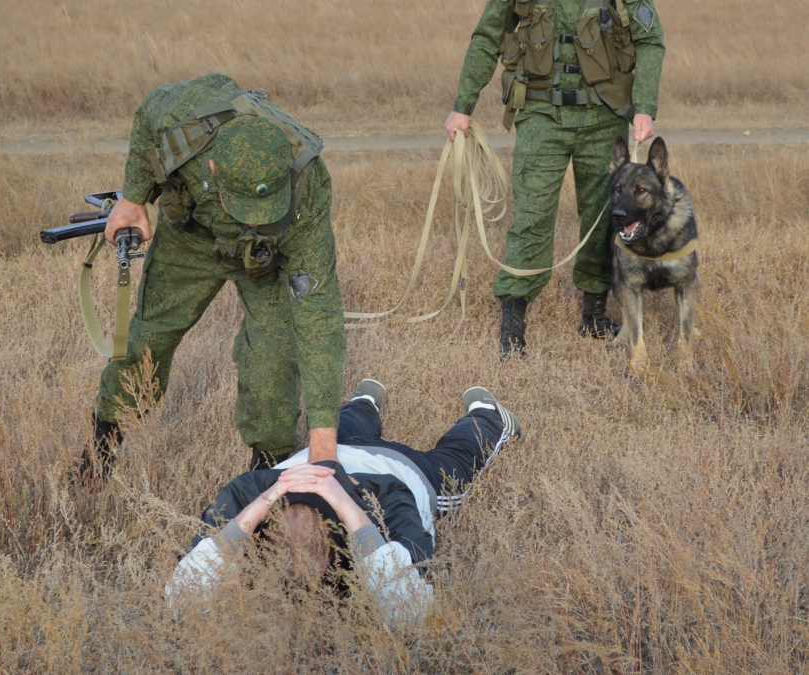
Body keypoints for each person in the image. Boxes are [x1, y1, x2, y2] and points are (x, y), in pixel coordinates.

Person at [84, 73, 346, 477]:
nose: (253, 219)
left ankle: (267, 476)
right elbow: (147, 114)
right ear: (211, 166)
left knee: (273, 359)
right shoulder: (182, 119)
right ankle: (97, 460)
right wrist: (134, 199)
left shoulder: (308, 193)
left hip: (265, 258)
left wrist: (324, 444)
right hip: (190, 238)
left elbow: (320, 318)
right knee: (147, 341)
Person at [165, 379, 522, 625]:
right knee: (343, 426)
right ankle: (364, 403)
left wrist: (350, 506)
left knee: (455, 464)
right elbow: (179, 600)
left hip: (399, 469)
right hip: (326, 454)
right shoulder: (252, 490)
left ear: (334, 555)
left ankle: (488, 415)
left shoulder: (386, 499)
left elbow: (408, 611)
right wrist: (266, 499)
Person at [445, 0, 665, 357]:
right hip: (540, 114)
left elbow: (650, 39)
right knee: (532, 218)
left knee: (605, 217)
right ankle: (513, 325)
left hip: (604, 114)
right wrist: (462, 106)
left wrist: (643, 105)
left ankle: (594, 314)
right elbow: (488, 34)